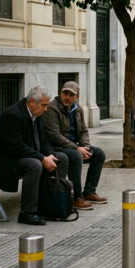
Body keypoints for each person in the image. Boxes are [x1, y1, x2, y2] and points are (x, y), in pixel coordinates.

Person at [0, 86, 70, 226]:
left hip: (20, 156)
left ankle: (52, 205)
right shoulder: (12, 115)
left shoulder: (36, 114)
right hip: (3, 162)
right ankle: (27, 213)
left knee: (61, 158)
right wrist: (42, 158)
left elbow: (43, 140)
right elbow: (16, 147)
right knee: (34, 165)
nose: (46, 109)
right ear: (32, 102)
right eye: (44, 105)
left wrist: (50, 156)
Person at [42, 81, 107, 211]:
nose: (67, 97)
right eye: (65, 93)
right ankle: (76, 197)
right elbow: (54, 135)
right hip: (56, 147)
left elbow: (83, 131)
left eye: (71, 95)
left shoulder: (78, 109)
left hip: (74, 146)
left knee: (99, 154)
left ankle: (89, 191)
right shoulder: (52, 108)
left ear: (77, 97)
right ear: (60, 93)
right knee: (76, 156)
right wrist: (78, 149)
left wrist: (85, 147)